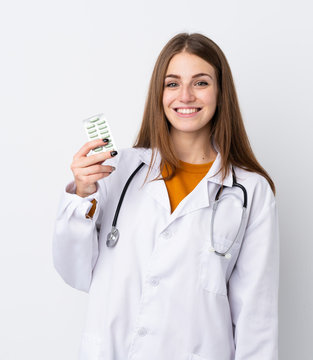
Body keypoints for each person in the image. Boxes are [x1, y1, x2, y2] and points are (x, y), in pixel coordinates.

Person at [53, 33, 279, 360]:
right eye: (172, 84)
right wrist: (82, 196)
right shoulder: (118, 170)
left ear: (220, 93)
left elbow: (256, 315)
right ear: (159, 94)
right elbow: (74, 272)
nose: (185, 95)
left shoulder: (249, 191)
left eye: (200, 83)